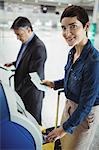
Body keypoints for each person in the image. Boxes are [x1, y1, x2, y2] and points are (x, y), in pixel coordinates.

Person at [42, 5, 99, 150]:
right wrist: (55, 84)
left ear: (86, 26)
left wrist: (63, 129)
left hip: (83, 115)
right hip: (69, 107)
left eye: (73, 26)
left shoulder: (94, 62)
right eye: (63, 27)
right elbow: (74, 78)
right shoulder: (72, 52)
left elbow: (86, 105)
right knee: (65, 146)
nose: (67, 33)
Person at [4, 16, 47, 125]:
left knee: (32, 122)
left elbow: (33, 75)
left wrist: (16, 91)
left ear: (28, 30)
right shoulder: (27, 42)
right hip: (23, 89)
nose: (18, 38)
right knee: (24, 120)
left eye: (19, 34)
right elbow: (26, 59)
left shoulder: (38, 47)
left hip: (31, 93)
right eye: (16, 34)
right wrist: (14, 63)